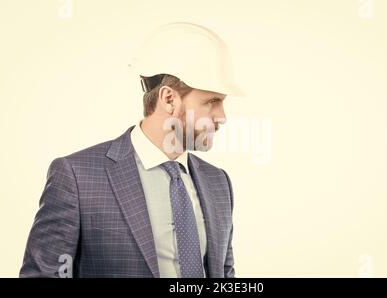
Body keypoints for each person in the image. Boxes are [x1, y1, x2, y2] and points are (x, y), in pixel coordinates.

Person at [19, 22, 244, 278]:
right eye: (212, 102)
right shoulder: (78, 177)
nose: (222, 116)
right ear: (169, 99)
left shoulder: (218, 182)